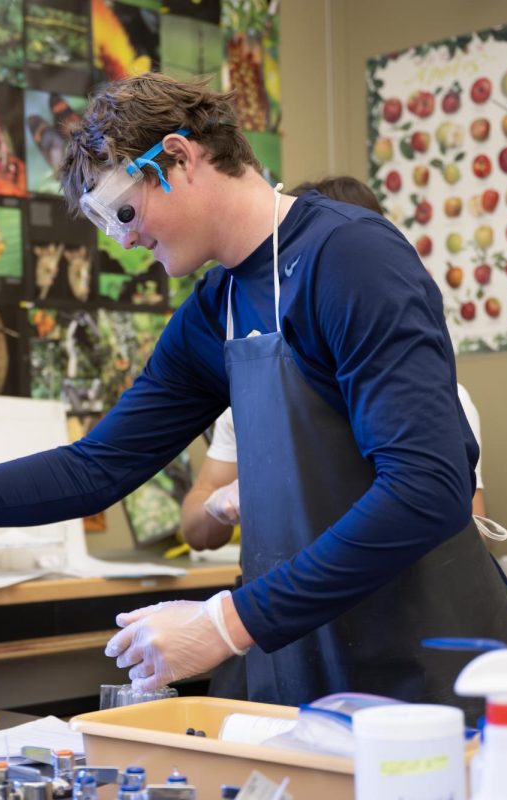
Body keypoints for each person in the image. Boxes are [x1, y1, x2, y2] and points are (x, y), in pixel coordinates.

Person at [0, 74, 507, 717]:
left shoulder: (351, 257)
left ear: (178, 158)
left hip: (425, 665)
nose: (123, 243)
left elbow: (428, 487)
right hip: (300, 659)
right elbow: (93, 470)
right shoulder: (216, 308)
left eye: (122, 212)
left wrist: (225, 623)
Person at [182, 177, 488, 550]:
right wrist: (221, 504)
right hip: (276, 601)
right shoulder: (251, 403)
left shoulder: (436, 398)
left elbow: (470, 540)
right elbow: (194, 530)